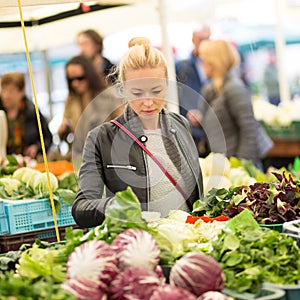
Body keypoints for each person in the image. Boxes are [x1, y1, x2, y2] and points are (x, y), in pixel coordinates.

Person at [72, 37, 203, 228]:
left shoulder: (181, 125)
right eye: (137, 93)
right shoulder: (102, 138)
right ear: (123, 88)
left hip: (189, 240)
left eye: (156, 91)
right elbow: (82, 208)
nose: (148, 102)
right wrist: (122, 207)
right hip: (140, 246)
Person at [187, 40, 273, 168]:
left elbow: (249, 129)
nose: (201, 64)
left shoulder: (234, 88)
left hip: (237, 165)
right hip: (225, 162)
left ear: (214, 62)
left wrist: (241, 165)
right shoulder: (212, 89)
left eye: (204, 60)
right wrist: (200, 120)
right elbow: (221, 121)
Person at [58, 55, 123, 158]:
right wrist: (63, 129)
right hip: (80, 156)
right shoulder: (70, 101)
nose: (75, 83)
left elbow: (122, 125)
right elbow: (64, 127)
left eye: (80, 78)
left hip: (106, 155)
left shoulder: (107, 97)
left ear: (89, 75)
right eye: (71, 80)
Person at [175, 25, 211, 155]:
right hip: (191, 128)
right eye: (201, 39)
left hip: (212, 128)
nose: (204, 43)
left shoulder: (215, 64)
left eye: (207, 39)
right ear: (193, 40)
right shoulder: (182, 66)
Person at [0, 72, 52, 159]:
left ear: (21, 92)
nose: (6, 95)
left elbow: (47, 138)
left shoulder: (32, 111)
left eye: (11, 91)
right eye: (3, 90)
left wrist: (36, 147)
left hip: (28, 161)